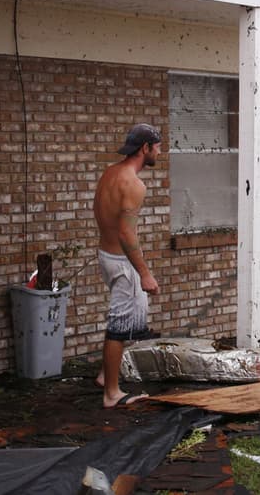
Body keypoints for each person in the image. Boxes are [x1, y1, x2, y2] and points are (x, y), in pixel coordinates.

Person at [93, 122, 161, 407]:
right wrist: (144, 274)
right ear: (145, 148)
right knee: (119, 327)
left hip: (106, 256)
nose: (159, 152)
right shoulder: (134, 184)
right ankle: (111, 393)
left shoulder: (110, 173)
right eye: (157, 147)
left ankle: (104, 375)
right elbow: (125, 233)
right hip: (122, 262)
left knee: (132, 320)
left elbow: (102, 214)